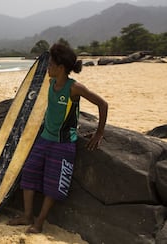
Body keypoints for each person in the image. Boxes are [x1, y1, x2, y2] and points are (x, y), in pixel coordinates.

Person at [8, 43, 108, 233]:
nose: (48, 68)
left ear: (61, 68)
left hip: (63, 144)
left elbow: (103, 104)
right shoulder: (51, 83)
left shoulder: (74, 88)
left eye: (51, 65)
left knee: (53, 185)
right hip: (44, 138)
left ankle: (39, 223)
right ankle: (27, 215)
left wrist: (99, 133)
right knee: (28, 173)